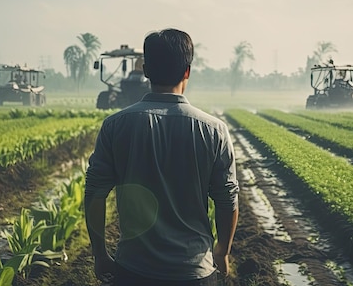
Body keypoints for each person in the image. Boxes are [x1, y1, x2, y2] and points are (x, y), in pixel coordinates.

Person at [84, 28, 240, 286]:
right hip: (194, 271)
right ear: (187, 71)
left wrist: (99, 254)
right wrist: (222, 252)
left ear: (145, 70)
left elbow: (95, 192)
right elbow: (227, 198)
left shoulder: (115, 125)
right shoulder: (214, 130)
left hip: (133, 270)